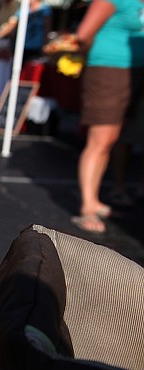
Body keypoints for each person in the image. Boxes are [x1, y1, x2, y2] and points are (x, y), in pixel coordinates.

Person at [54, 0, 144, 233]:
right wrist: (81, 59)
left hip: (132, 72)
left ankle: (94, 201)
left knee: (112, 138)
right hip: (107, 70)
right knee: (100, 141)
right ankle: (87, 208)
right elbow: (83, 35)